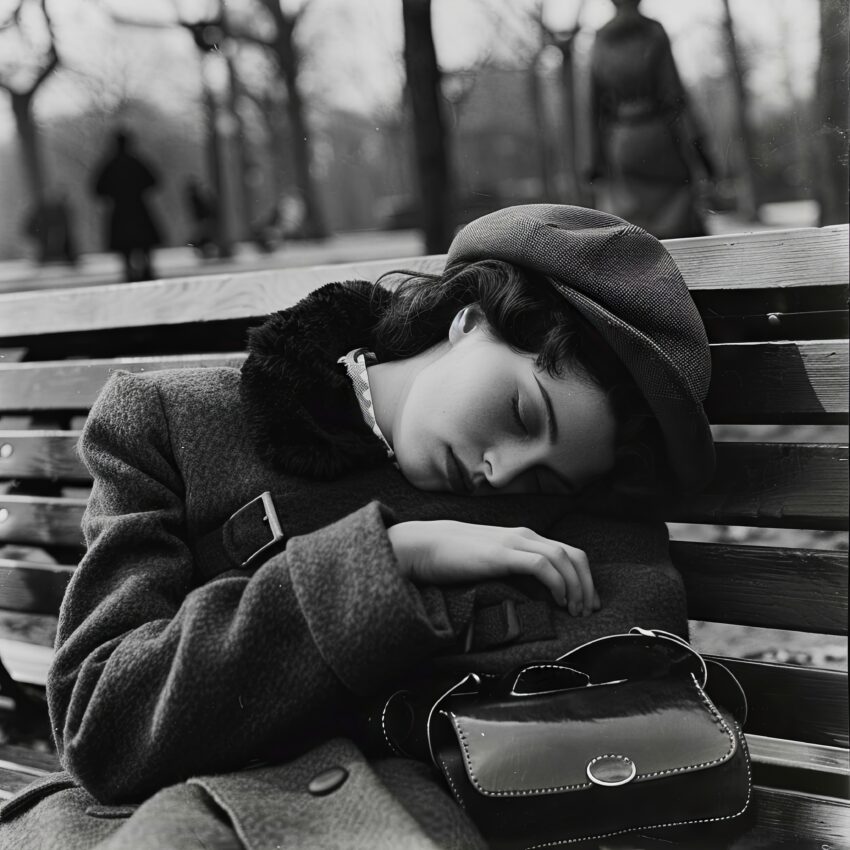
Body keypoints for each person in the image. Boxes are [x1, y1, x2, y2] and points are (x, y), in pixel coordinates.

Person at [0, 205, 715, 849]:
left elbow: (632, 688)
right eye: (524, 413)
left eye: (543, 476)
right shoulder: (169, 424)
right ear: (469, 319)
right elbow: (103, 725)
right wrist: (386, 564)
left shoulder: (564, 524)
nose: (503, 472)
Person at [588, 0, 717, 238]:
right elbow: (675, 96)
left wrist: (593, 164)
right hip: (661, 141)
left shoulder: (601, 39)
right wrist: (703, 153)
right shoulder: (654, 32)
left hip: (622, 144)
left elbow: (593, 107)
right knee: (680, 224)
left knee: (633, 227)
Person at [92, 130, 163, 282]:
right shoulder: (136, 162)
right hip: (138, 207)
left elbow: (97, 189)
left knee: (125, 244)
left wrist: (114, 194)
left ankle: (129, 271)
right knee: (143, 242)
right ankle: (147, 270)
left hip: (120, 210)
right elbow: (154, 181)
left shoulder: (110, 165)